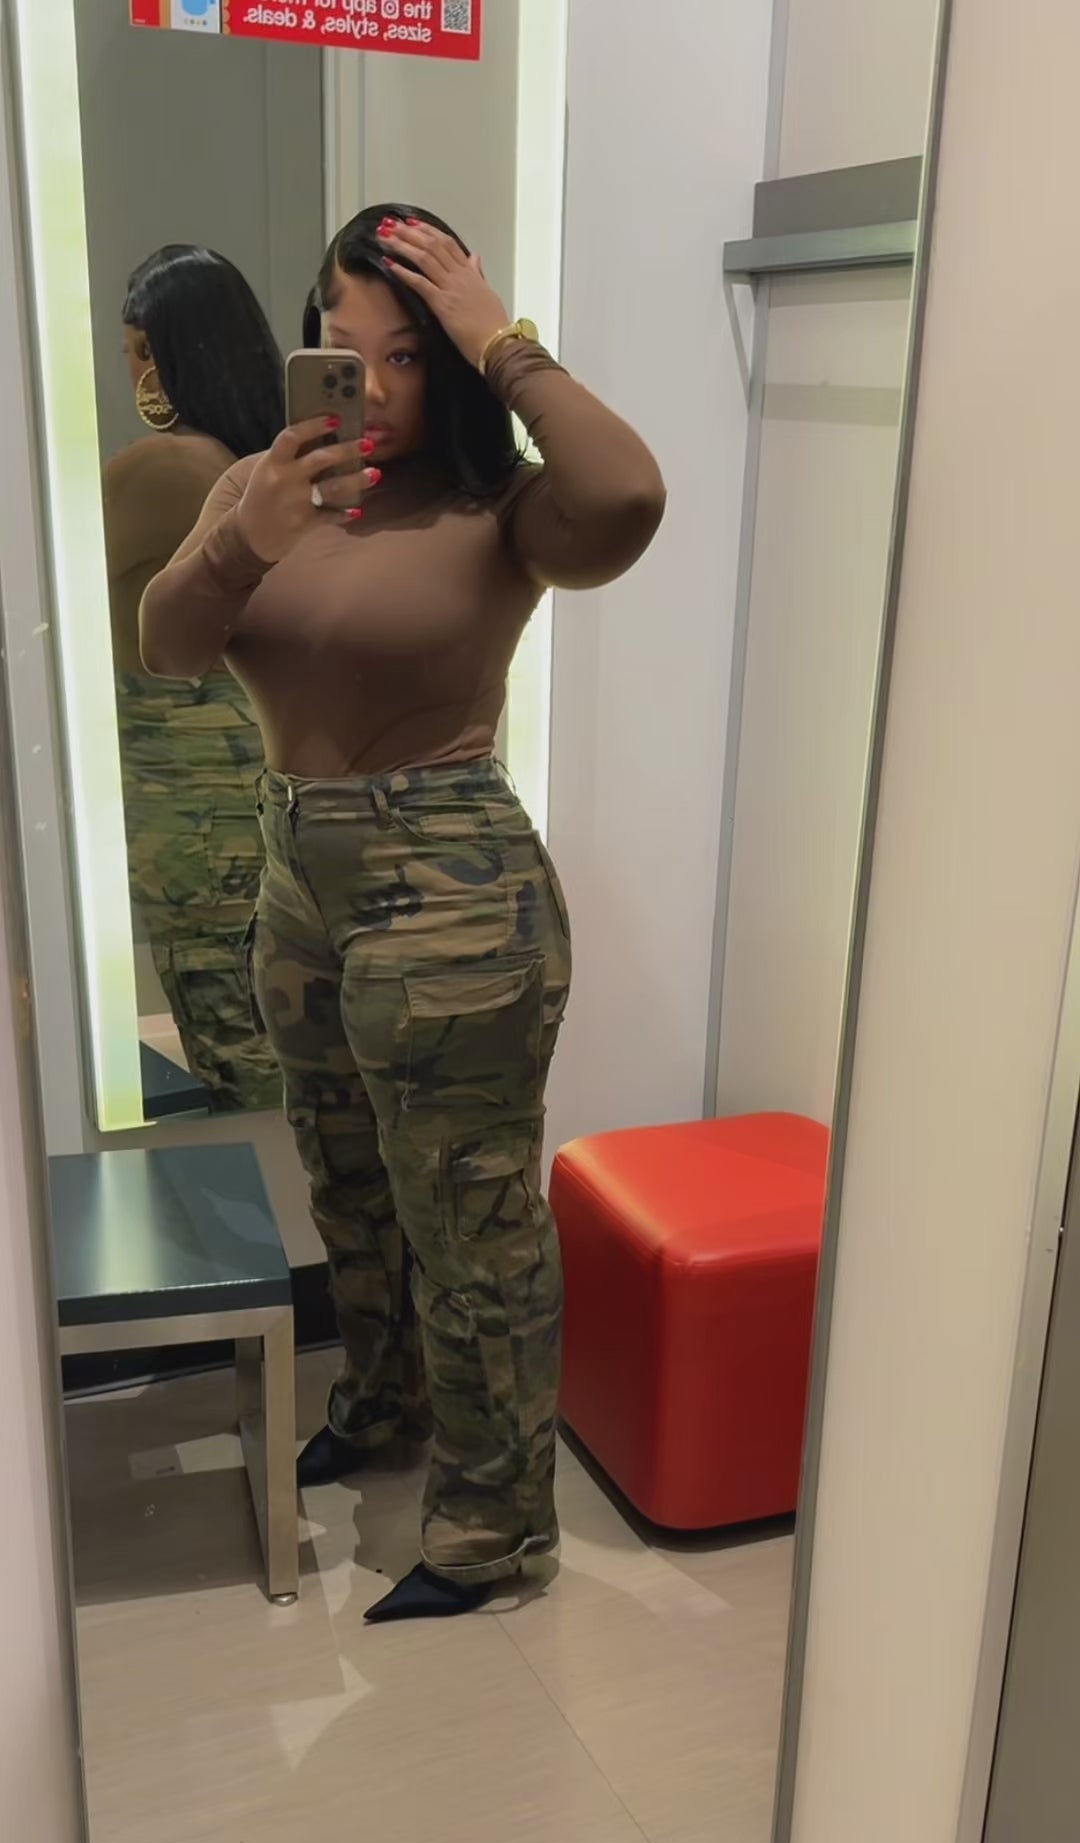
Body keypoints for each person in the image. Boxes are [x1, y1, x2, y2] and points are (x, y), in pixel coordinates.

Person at [140, 204, 665, 1621]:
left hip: (450, 887)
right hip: (297, 874)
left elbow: (628, 499)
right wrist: (245, 539)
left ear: (454, 361)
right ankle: (384, 1407)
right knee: (348, 1180)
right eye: (341, 340)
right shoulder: (262, 483)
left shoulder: (500, 505)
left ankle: (496, 1529)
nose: (365, 380)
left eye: (407, 353)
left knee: (471, 1220)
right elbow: (169, 644)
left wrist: (507, 341)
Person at [105, 244, 283, 1112]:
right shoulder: (259, 468)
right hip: (245, 777)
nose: (130, 371)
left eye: (138, 351)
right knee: (259, 1022)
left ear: (173, 354)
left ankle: (280, 1195)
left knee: (231, 1037)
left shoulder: (163, 467)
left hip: (186, 795)